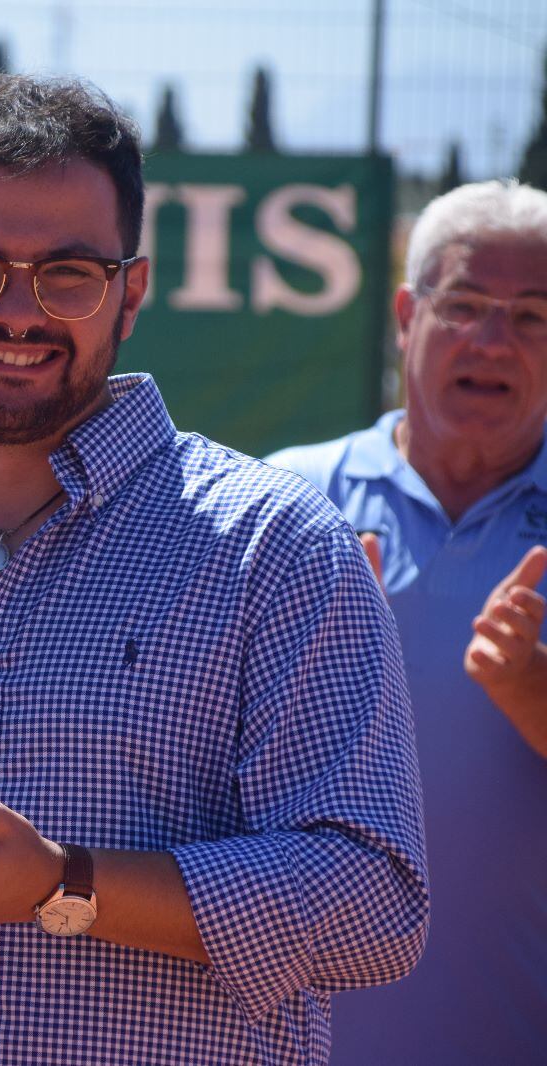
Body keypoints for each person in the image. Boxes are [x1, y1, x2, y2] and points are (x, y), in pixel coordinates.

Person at [0, 74, 429, 1065]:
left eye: (68, 273)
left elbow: (372, 904)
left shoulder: (274, 544)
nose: (18, 311)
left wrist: (68, 882)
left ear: (130, 292)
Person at [267, 179, 547, 1065]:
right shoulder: (281, 505)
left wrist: (533, 693)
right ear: (405, 313)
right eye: (464, 305)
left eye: (535, 316)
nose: (493, 340)